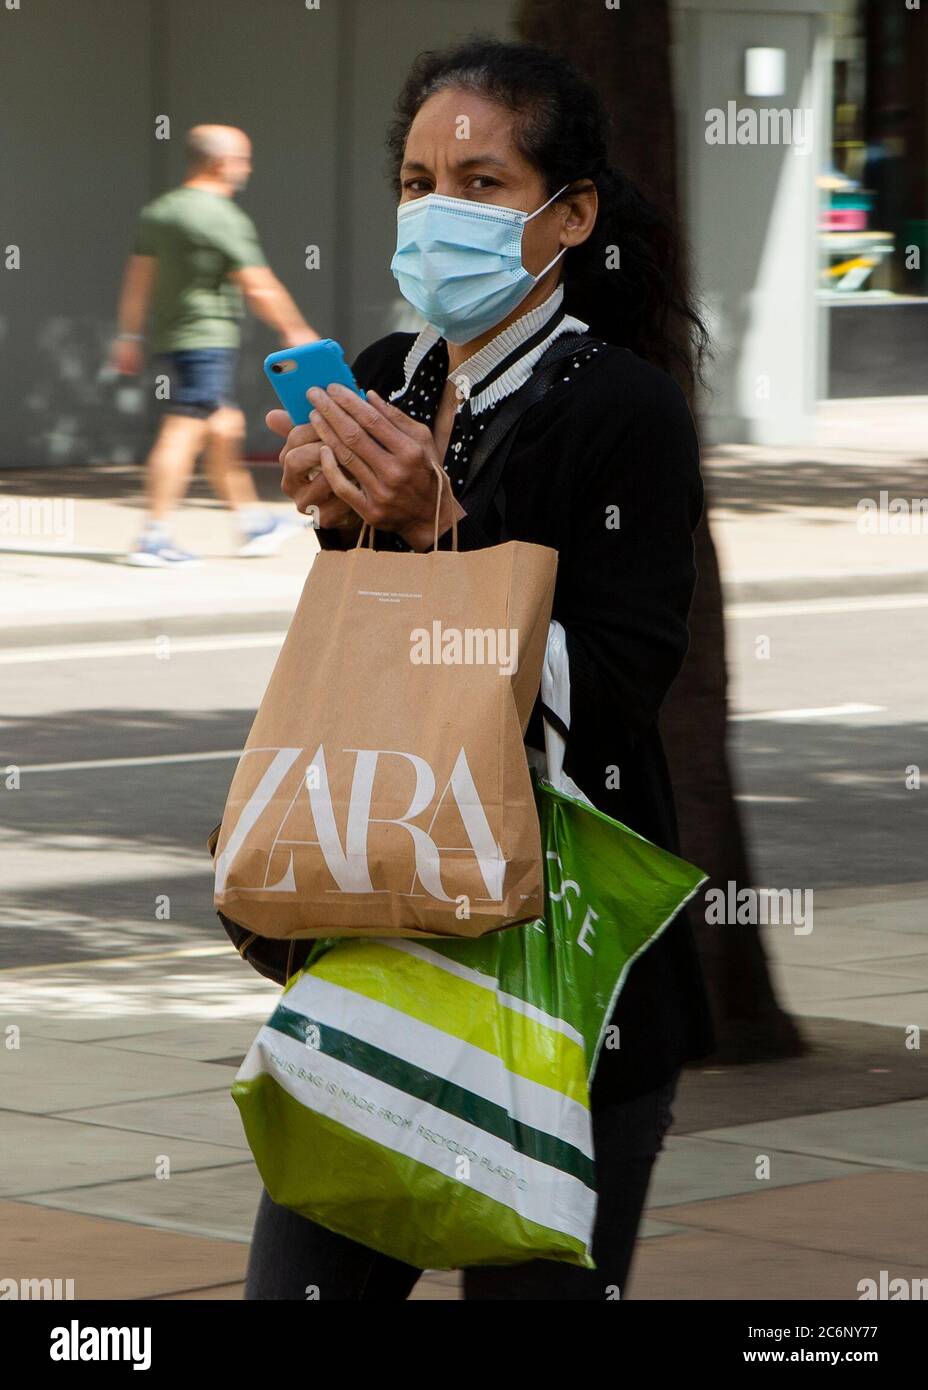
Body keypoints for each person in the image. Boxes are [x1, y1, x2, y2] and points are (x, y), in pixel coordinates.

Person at [246, 36, 715, 1300]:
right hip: (382, 936)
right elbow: (372, 657)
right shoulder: (389, 374)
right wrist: (338, 517)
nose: (434, 211)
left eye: (480, 182)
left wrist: (429, 526)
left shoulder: (620, 406)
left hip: (560, 978)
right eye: (413, 182)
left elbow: (612, 691)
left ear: (570, 214)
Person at [111, 124, 319, 566]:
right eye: (243, 159)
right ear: (221, 162)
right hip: (206, 339)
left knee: (224, 427)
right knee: (184, 428)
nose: (247, 168)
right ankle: (152, 535)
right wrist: (296, 330)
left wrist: (129, 334)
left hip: (177, 338)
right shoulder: (220, 216)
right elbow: (258, 285)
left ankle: (252, 522)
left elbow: (138, 277)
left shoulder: (161, 211)